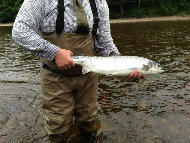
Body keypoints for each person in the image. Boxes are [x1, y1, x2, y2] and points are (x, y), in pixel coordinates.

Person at [12, 0, 146, 142]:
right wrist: (54, 53)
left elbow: (104, 43)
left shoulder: (99, 3)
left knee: (89, 120)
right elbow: (20, 31)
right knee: (58, 127)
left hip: (88, 77)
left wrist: (124, 66)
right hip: (55, 76)